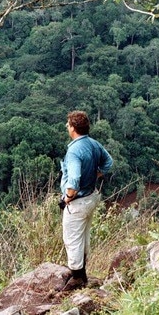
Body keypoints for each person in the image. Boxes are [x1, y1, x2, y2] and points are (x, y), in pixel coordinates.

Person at [58, 110, 113, 292]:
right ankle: (81, 273)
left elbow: (73, 181)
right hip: (91, 197)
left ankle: (77, 277)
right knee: (83, 236)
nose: (67, 127)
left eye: (68, 124)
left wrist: (67, 198)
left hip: (78, 201)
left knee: (72, 238)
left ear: (73, 128)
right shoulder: (93, 144)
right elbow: (108, 162)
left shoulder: (74, 150)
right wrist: (94, 175)